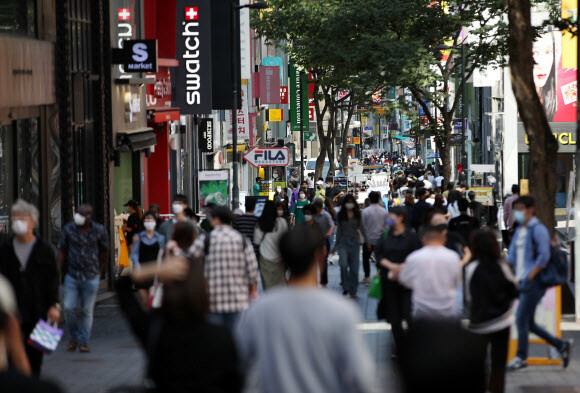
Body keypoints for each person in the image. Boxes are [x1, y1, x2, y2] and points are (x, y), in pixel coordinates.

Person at [236, 225, 375, 393]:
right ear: (322, 253)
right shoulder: (341, 311)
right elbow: (361, 378)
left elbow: (242, 366)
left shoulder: (258, 311)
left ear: (282, 258)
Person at [116, 257, 242, 393]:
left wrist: (157, 269)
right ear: (202, 289)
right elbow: (235, 383)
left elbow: (121, 286)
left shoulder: (156, 332)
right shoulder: (222, 337)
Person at [506, 196, 572, 370]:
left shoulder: (538, 229)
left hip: (534, 281)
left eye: (521, 209)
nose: (518, 213)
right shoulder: (520, 229)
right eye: (516, 209)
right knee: (528, 323)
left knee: (520, 319)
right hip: (521, 281)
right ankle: (560, 345)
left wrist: (530, 276)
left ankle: (520, 357)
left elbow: (544, 256)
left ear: (531, 209)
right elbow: (512, 256)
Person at [0, 200, 60, 376]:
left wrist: (54, 304)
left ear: (33, 222)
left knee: (35, 360)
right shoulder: (5, 249)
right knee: (11, 360)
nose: (18, 221)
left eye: (23, 217)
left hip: (38, 313)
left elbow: (52, 279)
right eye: (15, 217)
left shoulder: (45, 250)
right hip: (11, 314)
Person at [186, 206, 258, 330]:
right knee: (236, 340)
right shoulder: (242, 240)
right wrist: (253, 290)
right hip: (238, 300)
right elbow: (252, 269)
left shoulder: (205, 239)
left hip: (212, 301)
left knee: (214, 341)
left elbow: (189, 260)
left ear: (216, 219)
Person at [464, 230, 518, 393]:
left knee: (478, 364)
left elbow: (468, 297)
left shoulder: (471, 268)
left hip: (478, 322)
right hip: (502, 321)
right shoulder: (503, 266)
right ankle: (496, 389)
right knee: (498, 364)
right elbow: (514, 290)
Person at [58, 204, 109, 353]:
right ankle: (73, 336)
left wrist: (100, 270)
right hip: (72, 276)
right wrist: (59, 270)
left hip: (91, 276)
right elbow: (62, 249)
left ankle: (83, 341)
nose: (78, 216)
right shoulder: (69, 229)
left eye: (82, 214)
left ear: (89, 216)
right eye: (78, 213)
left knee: (87, 310)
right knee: (68, 307)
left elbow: (105, 251)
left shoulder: (98, 230)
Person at [376, 207, 422, 355]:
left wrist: (404, 266)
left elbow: (418, 255)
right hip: (389, 283)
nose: (389, 219)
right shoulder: (385, 236)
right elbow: (378, 255)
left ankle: (412, 344)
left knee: (409, 314)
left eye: (391, 216)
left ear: (401, 217)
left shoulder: (412, 237)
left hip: (408, 283)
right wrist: (391, 266)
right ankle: (400, 346)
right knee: (393, 318)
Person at [130, 211, 167, 308]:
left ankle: (151, 320)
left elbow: (163, 255)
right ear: (143, 222)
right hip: (141, 271)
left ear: (155, 221)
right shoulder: (138, 237)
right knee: (143, 300)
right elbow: (134, 255)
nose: (149, 222)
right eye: (147, 219)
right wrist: (137, 267)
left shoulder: (161, 238)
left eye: (151, 219)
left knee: (152, 299)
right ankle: (145, 320)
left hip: (154, 272)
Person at [332, 195, 364, 298]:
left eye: (351, 202)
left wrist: (366, 242)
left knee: (354, 268)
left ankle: (353, 290)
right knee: (343, 265)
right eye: (348, 202)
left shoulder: (358, 214)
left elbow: (362, 229)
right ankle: (346, 287)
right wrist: (336, 245)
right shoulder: (341, 214)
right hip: (343, 242)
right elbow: (339, 230)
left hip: (355, 242)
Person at [254, 201, 289, 290]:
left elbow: (257, 241)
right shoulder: (282, 222)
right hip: (280, 258)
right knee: (279, 287)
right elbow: (285, 240)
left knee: (268, 286)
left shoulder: (260, 223)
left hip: (265, 258)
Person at [360, 191, 388, 284]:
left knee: (365, 258)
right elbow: (386, 227)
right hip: (380, 239)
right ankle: (380, 275)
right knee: (380, 259)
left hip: (369, 239)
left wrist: (366, 241)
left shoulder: (365, 211)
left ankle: (367, 276)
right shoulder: (383, 211)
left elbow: (362, 227)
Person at [313, 198, 335, 287]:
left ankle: (323, 280)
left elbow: (332, 225)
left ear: (318, 206)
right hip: (315, 240)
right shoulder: (314, 215)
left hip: (324, 240)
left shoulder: (326, 215)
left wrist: (329, 233)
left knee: (323, 261)